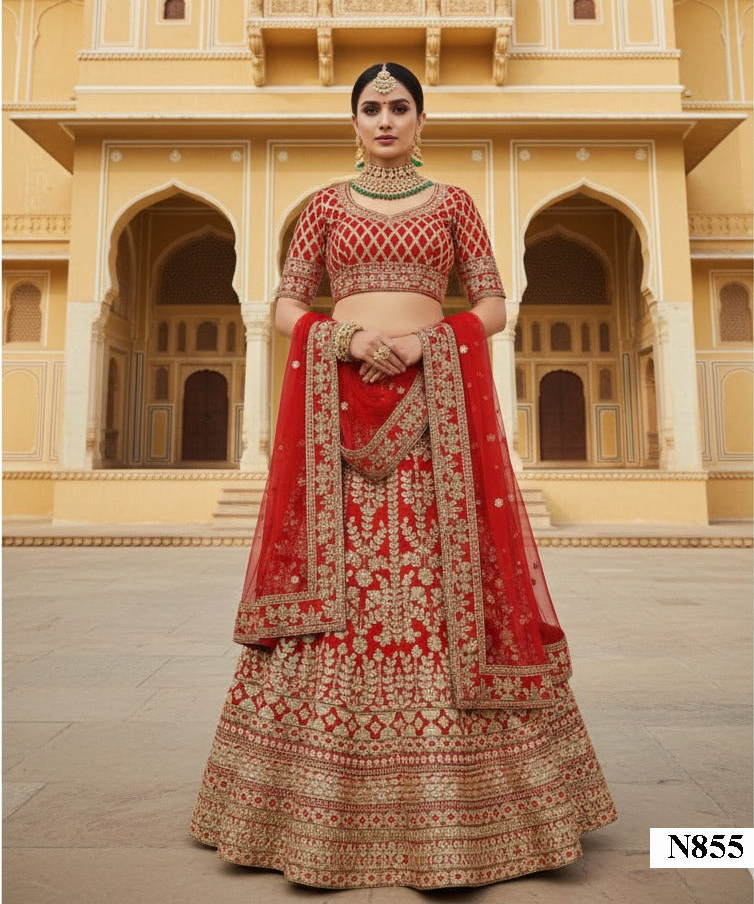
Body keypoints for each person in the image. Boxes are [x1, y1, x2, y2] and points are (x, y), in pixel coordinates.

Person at [190, 61, 617, 889]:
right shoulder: (324, 207)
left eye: (399, 107)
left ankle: (468, 813)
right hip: (340, 424)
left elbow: (493, 304)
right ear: (353, 122)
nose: (385, 120)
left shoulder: (453, 205)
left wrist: (431, 341)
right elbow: (285, 304)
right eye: (371, 108)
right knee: (341, 590)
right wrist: (343, 339)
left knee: (438, 583)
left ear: (421, 120)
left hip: (432, 421)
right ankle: (309, 812)